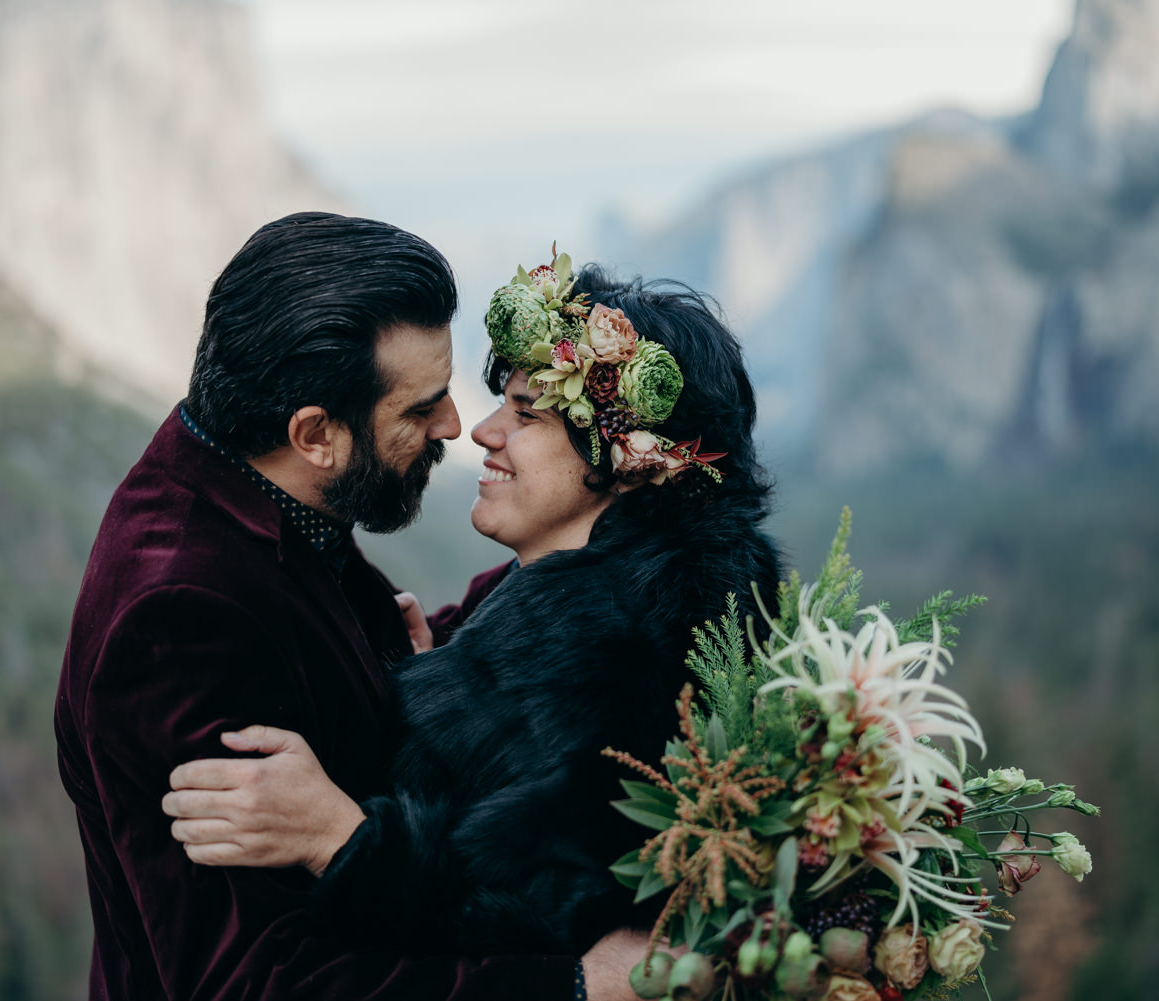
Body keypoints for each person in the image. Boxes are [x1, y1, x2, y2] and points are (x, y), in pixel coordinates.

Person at [54, 214, 646, 1001]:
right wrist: (574, 986)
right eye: (419, 409)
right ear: (315, 434)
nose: (454, 425)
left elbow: (331, 667)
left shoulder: (249, 475)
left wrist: (443, 669)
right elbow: (259, 981)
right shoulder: (179, 616)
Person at [161, 254, 783, 965]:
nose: (481, 431)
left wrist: (338, 837)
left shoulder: (618, 664)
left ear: (628, 461)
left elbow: (516, 935)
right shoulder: (598, 595)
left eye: (526, 413)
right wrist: (441, 677)